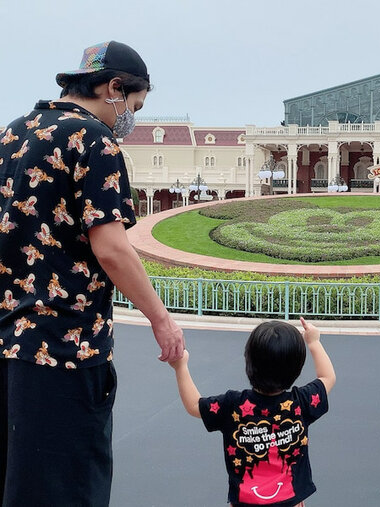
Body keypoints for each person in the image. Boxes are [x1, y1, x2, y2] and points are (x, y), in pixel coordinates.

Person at [0, 41, 185, 506]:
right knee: (68, 485)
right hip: (63, 348)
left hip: (7, 341)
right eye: (135, 106)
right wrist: (162, 319)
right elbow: (113, 249)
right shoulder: (93, 140)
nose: (131, 119)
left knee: (18, 479)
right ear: (114, 88)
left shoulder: (14, 132)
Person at [170, 318, 336, 506]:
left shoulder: (233, 405)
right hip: (290, 500)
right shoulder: (300, 402)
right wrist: (313, 341)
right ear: (296, 369)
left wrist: (180, 367)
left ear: (248, 361)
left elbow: (194, 405)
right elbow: (327, 377)